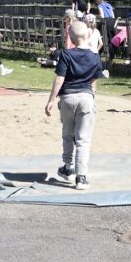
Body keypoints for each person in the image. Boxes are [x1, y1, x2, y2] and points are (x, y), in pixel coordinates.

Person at [44, 21, 103, 191]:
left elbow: (60, 78)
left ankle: (67, 166)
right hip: (86, 98)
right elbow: (93, 81)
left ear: (70, 37)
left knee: (68, 135)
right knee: (83, 140)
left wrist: (51, 100)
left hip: (67, 98)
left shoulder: (65, 54)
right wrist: (92, 99)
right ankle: (81, 178)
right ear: (89, 35)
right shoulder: (95, 57)